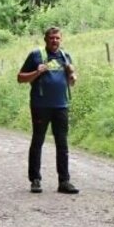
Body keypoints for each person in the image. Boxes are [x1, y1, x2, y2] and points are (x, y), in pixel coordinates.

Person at [17, 26, 79, 194]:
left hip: (61, 106)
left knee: (62, 143)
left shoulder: (65, 56)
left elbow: (71, 82)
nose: (55, 41)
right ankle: (35, 180)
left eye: (57, 38)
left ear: (61, 39)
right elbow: (20, 78)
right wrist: (37, 72)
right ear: (45, 39)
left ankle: (64, 181)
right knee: (38, 141)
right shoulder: (36, 55)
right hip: (40, 106)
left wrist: (72, 75)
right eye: (52, 38)